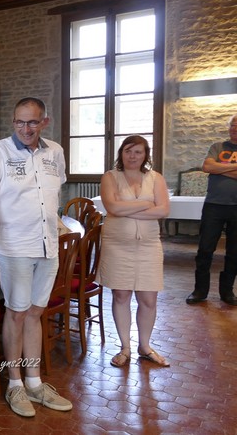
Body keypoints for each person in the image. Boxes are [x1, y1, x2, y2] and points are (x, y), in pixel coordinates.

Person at [0, 97, 72, 418]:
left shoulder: (55, 152)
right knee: (16, 313)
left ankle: (35, 382)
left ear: (45, 121)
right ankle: (15, 384)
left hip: (47, 247)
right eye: (20, 122)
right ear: (13, 122)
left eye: (33, 122)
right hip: (14, 248)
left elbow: (52, 196)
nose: (26, 129)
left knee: (35, 314)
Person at [98, 135, 171, 368]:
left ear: (145, 155)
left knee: (148, 298)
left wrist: (125, 209)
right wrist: (147, 204)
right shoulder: (110, 177)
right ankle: (125, 347)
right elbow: (112, 207)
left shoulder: (155, 178)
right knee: (121, 295)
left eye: (138, 152)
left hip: (149, 245)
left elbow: (164, 211)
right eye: (128, 151)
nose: (132, 156)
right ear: (121, 153)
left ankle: (145, 346)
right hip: (117, 245)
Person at [186, 114, 237, 307]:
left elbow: (214, 167)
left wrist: (221, 167)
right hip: (214, 205)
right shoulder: (217, 146)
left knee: (234, 252)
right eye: (233, 125)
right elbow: (207, 166)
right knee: (205, 249)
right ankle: (200, 290)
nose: (235, 128)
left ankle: (227, 291)